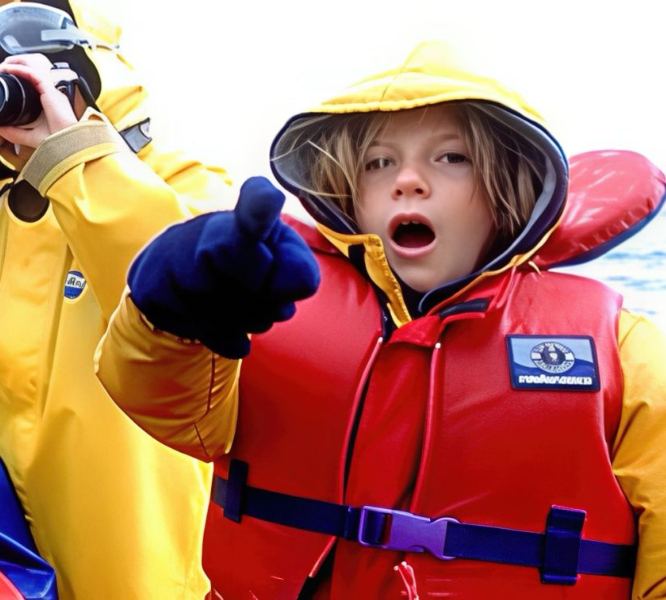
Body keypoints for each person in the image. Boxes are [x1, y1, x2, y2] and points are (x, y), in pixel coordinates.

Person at [95, 42, 666, 597]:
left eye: (452, 158)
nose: (408, 180)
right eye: (379, 162)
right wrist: (168, 311)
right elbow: (163, 406)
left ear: (507, 185)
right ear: (349, 191)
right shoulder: (266, 308)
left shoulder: (624, 348)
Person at [0, 1, 233, 597]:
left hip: (118, 524)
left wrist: (75, 157)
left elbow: (176, 299)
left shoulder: (184, 186)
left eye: (45, 77)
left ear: (95, 77)